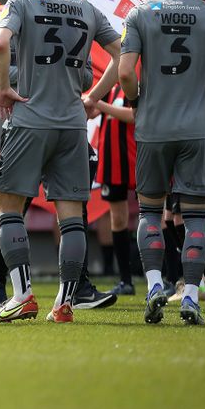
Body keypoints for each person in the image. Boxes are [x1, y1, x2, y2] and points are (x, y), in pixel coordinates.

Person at [0, 0, 121, 324]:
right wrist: (93, 96)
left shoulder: (21, 1)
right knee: (71, 214)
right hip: (73, 125)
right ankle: (64, 304)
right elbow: (124, 51)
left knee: (8, 206)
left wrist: (3, 89)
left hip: (29, 119)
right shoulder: (87, 7)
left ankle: (22, 296)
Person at [116, 0, 205, 326]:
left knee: (150, 210)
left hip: (153, 128)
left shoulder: (139, 14)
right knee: (195, 216)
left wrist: (135, 100)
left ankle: (154, 285)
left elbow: (124, 73)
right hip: (197, 129)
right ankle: (190, 296)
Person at [90, 82, 138, 295]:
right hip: (111, 160)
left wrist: (99, 103)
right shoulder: (110, 87)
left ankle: (170, 277)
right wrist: (93, 106)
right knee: (117, 219)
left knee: (157, 214)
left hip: (137, 157)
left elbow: (134, 115)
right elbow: (95, 111)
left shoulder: (137, 81)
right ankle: (126, 281)